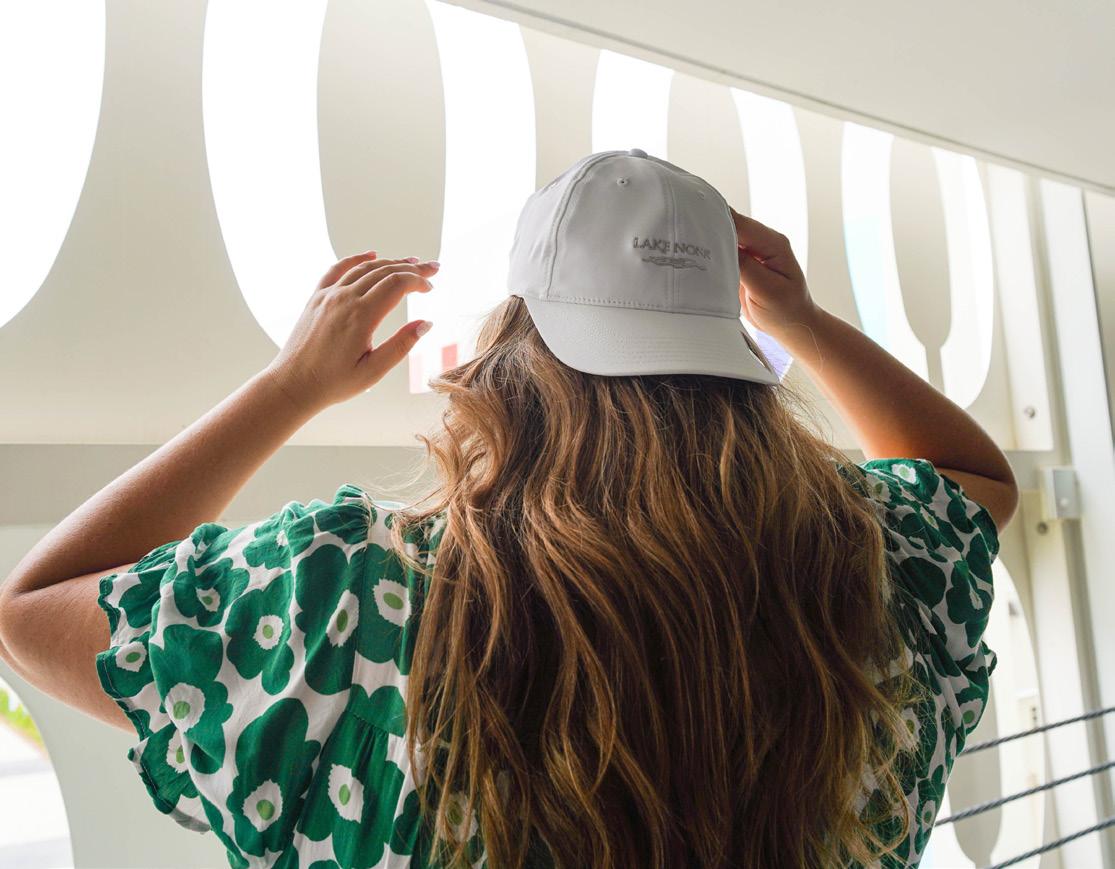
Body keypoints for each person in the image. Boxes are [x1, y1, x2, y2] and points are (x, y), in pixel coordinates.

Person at [0, 148, 1017, 869]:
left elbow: (33, 608)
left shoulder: (348, 599)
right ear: (735, 353)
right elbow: (970, 476)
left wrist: (288, 387)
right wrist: (799, 316)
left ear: (512, 351)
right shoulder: (868, 565)